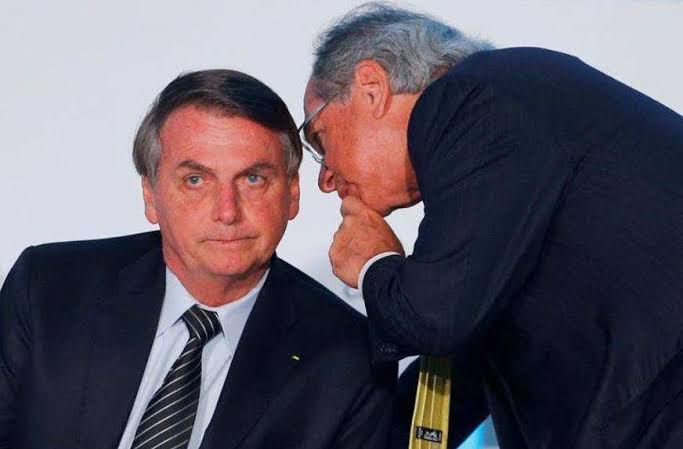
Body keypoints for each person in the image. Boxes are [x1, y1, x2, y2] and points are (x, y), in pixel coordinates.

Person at [300, 3, 683, 448]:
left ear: (371, 88)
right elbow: (455, 371)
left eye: (318, 138)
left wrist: (373, 264)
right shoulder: (502, 131)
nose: (326, 178)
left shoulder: (469, 98)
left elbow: (433, 320)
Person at [0, 69, 396, 449]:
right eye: (195, 180)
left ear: (292, 194)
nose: (227, 212)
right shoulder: (49, 291)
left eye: (253, 179)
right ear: (150, 196)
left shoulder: (349, 360)